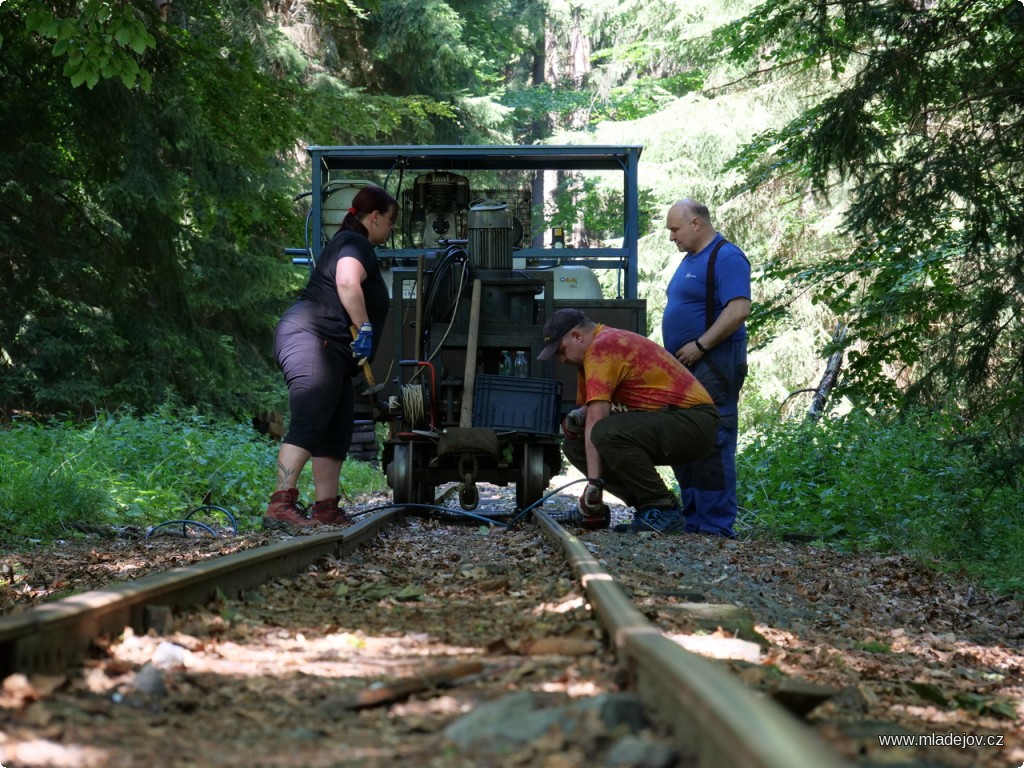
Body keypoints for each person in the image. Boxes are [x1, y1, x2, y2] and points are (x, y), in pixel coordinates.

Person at [263, 185, 398, 530]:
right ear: (375, 217)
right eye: (391, 221)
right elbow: (348, 283)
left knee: (336, 430)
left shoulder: (348, 241)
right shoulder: (356, 243)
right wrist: (364, 327)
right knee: (309, 423)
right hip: (313, 339)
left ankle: (325, 508)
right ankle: (280, 504)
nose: (392, 229)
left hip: (330, 349)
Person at [538, 308, 720, 533]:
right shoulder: (592, 354)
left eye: (561, 351)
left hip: (693, 420)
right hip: (672, 419)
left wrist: (593, 485)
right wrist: (577, 417)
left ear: (577, 336)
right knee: (575, 446)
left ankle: (663, 508)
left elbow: (598, 420)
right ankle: (645, 509)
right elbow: (592, 409)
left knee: (605, 433)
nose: (562, 359)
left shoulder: (601, 347)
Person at [663, 199, 751, 538]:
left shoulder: (726, 257)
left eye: (675, 229)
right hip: (683, 368)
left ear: (697, 223)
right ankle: (694, 519)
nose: (672, 236)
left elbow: (739, 309)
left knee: (713, 439)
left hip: (713, 364)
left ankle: (715, 526)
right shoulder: (690, 261)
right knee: (684, 438)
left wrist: (700, 346)